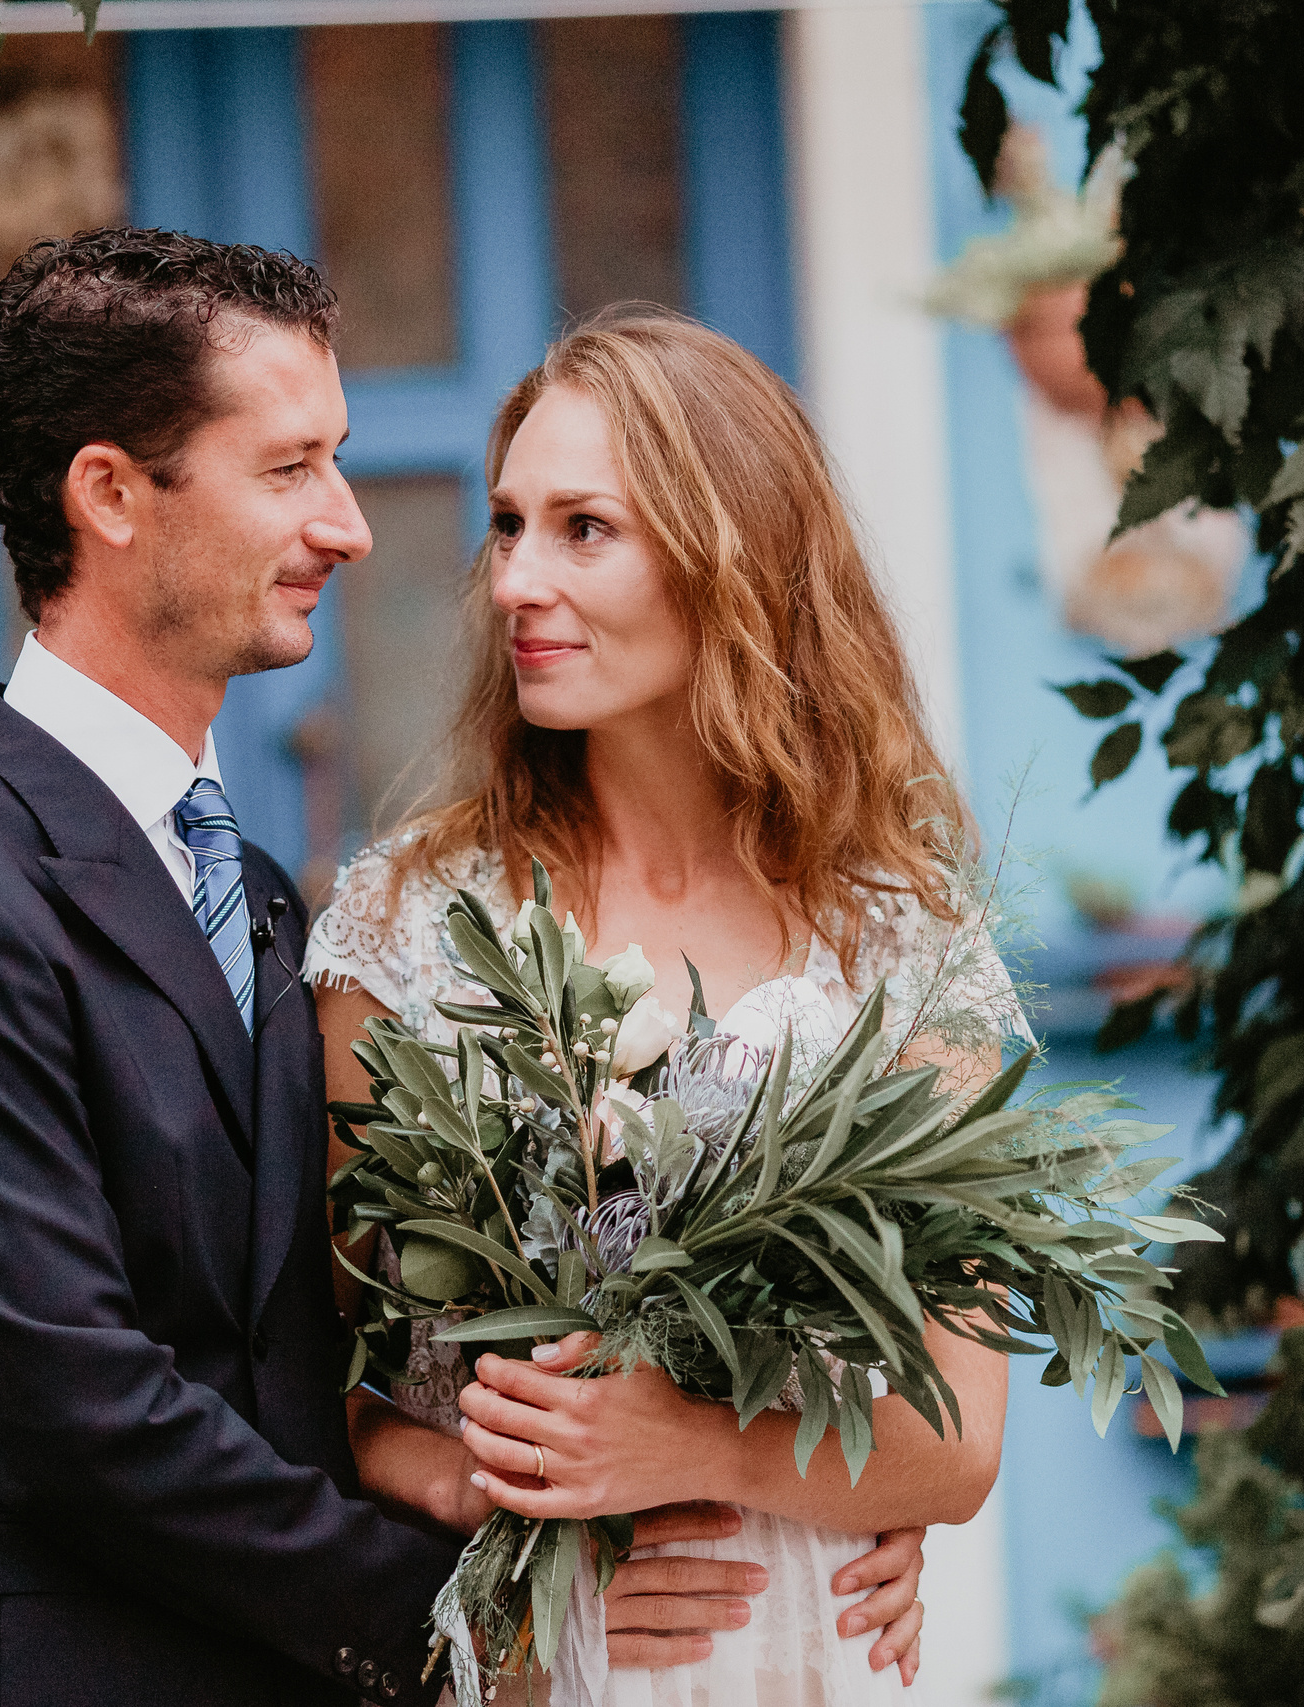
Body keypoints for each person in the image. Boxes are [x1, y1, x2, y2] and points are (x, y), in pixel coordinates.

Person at [0, 231, 923, 1707]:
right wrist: (485, 1616)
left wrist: (796, 1493)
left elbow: (315, 1340)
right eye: (290, 470)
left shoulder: (249, 888)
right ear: (111, 495)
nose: (352, 523)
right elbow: (79, 1418)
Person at [310, 312, 1021, 1704]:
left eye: (585, 529)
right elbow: (323, 1390)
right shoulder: (406, 929)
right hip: (538, 1655)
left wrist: (692, 1448)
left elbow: (963, 1439)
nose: (517, 578)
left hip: (810, 1646)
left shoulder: (901, 936)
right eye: (509, 524)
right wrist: (492, 1496)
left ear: (731, 563)